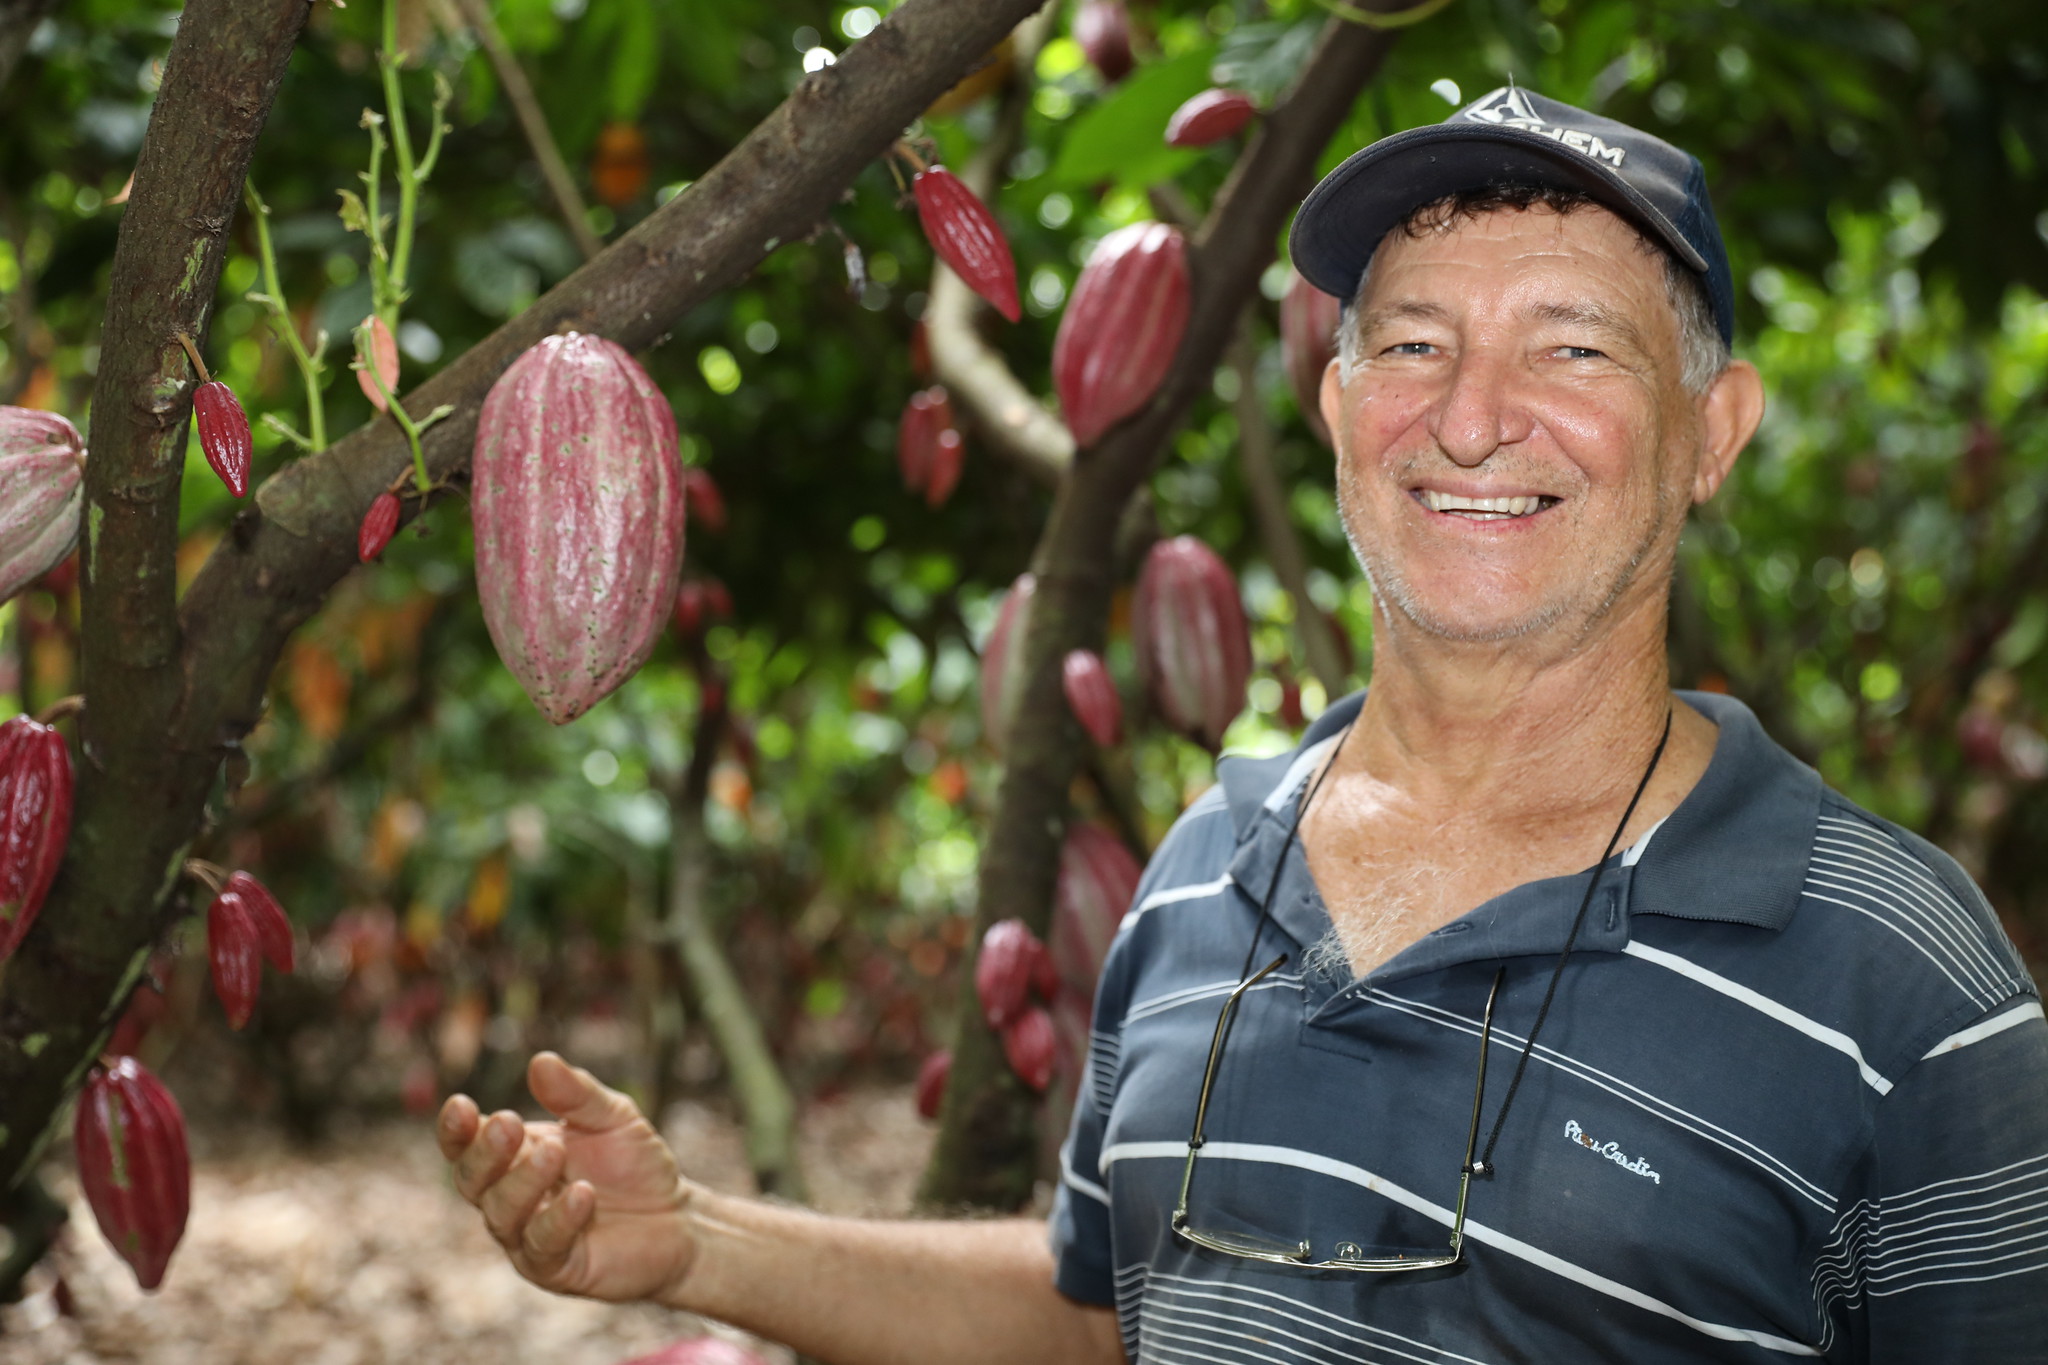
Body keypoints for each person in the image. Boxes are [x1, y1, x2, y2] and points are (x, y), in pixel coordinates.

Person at [437, 88, 2048, 1363]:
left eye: (1572, 346)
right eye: (1414, 345)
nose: (1474, 414)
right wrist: (701, 1240)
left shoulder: (1900, 980)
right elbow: (1101, 1313)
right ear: (1342, 412)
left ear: (1714, 432)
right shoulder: (1213, 868)